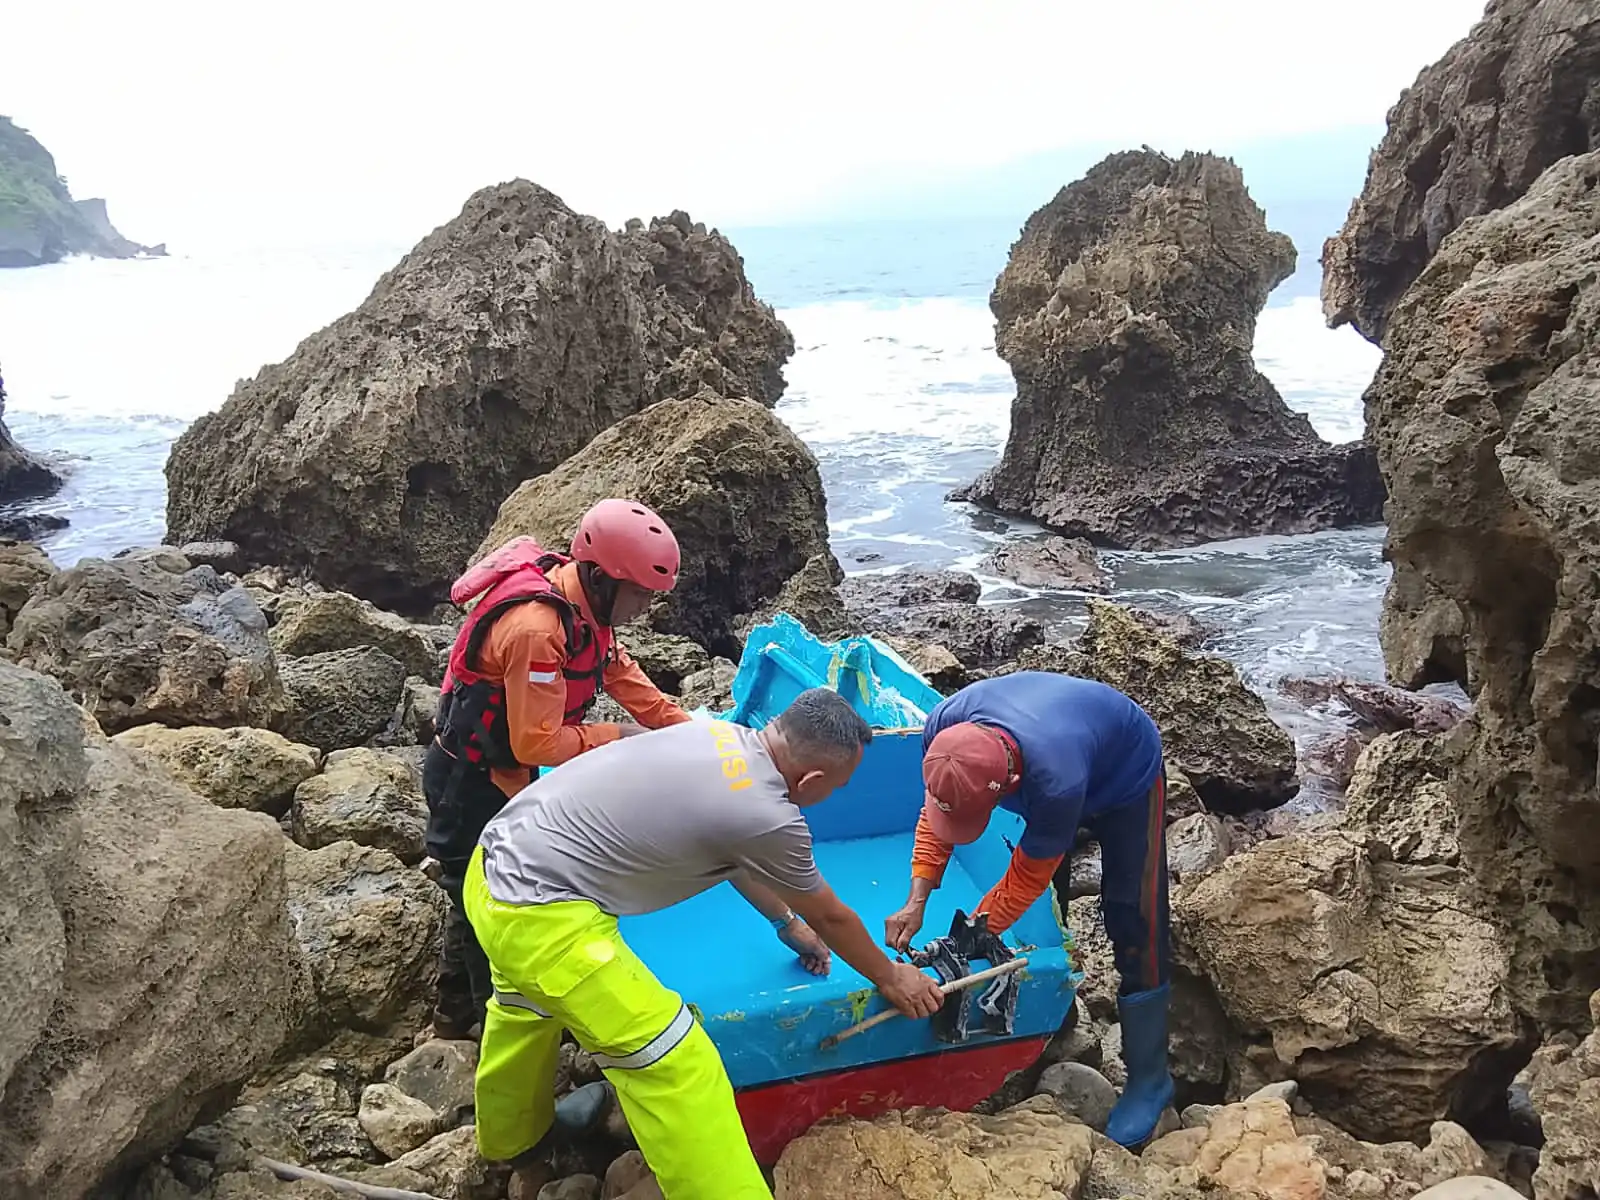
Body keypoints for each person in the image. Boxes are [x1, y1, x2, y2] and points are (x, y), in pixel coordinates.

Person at [463, 687, 946, 1199]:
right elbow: (831, 914)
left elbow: (737, 855)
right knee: (676, 1061)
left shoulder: (716, 734)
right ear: (813, 780)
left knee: (523, 1006)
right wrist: (892, 976)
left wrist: (785, 924)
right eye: (838, 786)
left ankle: (515, 1140)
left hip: (492, 867)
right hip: (540, 918)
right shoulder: (769, 814)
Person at [424, 498, 694, 1039]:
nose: (644, 607)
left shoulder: (583, 610)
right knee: (486, 905)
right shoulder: (537, 629)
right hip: (468, 782)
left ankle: (451, 1014)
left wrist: (691, 733)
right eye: (639, 593)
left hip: (499, 777)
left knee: (471, 890)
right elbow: (535, 742)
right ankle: (486, 1025)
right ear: (602, 578)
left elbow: (619, 672)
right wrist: (620, 736)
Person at [882, 670, 1172, 1149]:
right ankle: (1057, 1014)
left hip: (1125, 771)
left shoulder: (1054, 780)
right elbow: (938, 814)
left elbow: (1023, 881)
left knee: (1132, 910)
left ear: (1009, 782)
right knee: (1049, 905)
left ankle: (1151, 1078)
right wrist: (917, 901)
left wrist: (959, 946)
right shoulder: (944, 731)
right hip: (1058, 750)